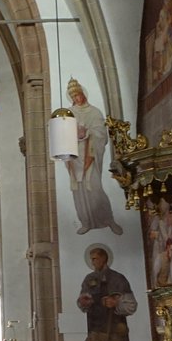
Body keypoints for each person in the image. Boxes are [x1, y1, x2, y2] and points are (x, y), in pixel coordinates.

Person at [63, 79, 122, 236]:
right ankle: (86, 222)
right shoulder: (69, 114)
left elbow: (101, 134)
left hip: (90, 155)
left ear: (84, 94)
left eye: (79, 95)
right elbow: (64, 136)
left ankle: (108, 219)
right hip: (75, 158)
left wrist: (87, 133)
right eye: (74, 96)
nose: (78, 99)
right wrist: (74, 135)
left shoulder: (94, 112)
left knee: (95, 187)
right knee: (79, 191)